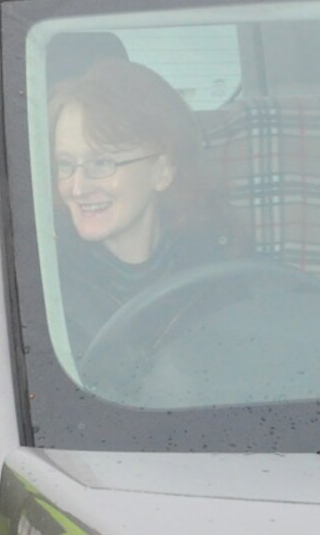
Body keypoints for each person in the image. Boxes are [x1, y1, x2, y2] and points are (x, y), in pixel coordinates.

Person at [47, 59, 227, 353]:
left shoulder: (222, 272)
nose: (77, 188)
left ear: (162, 171)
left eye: (101, 163)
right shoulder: (41, 288)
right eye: (65, 164)